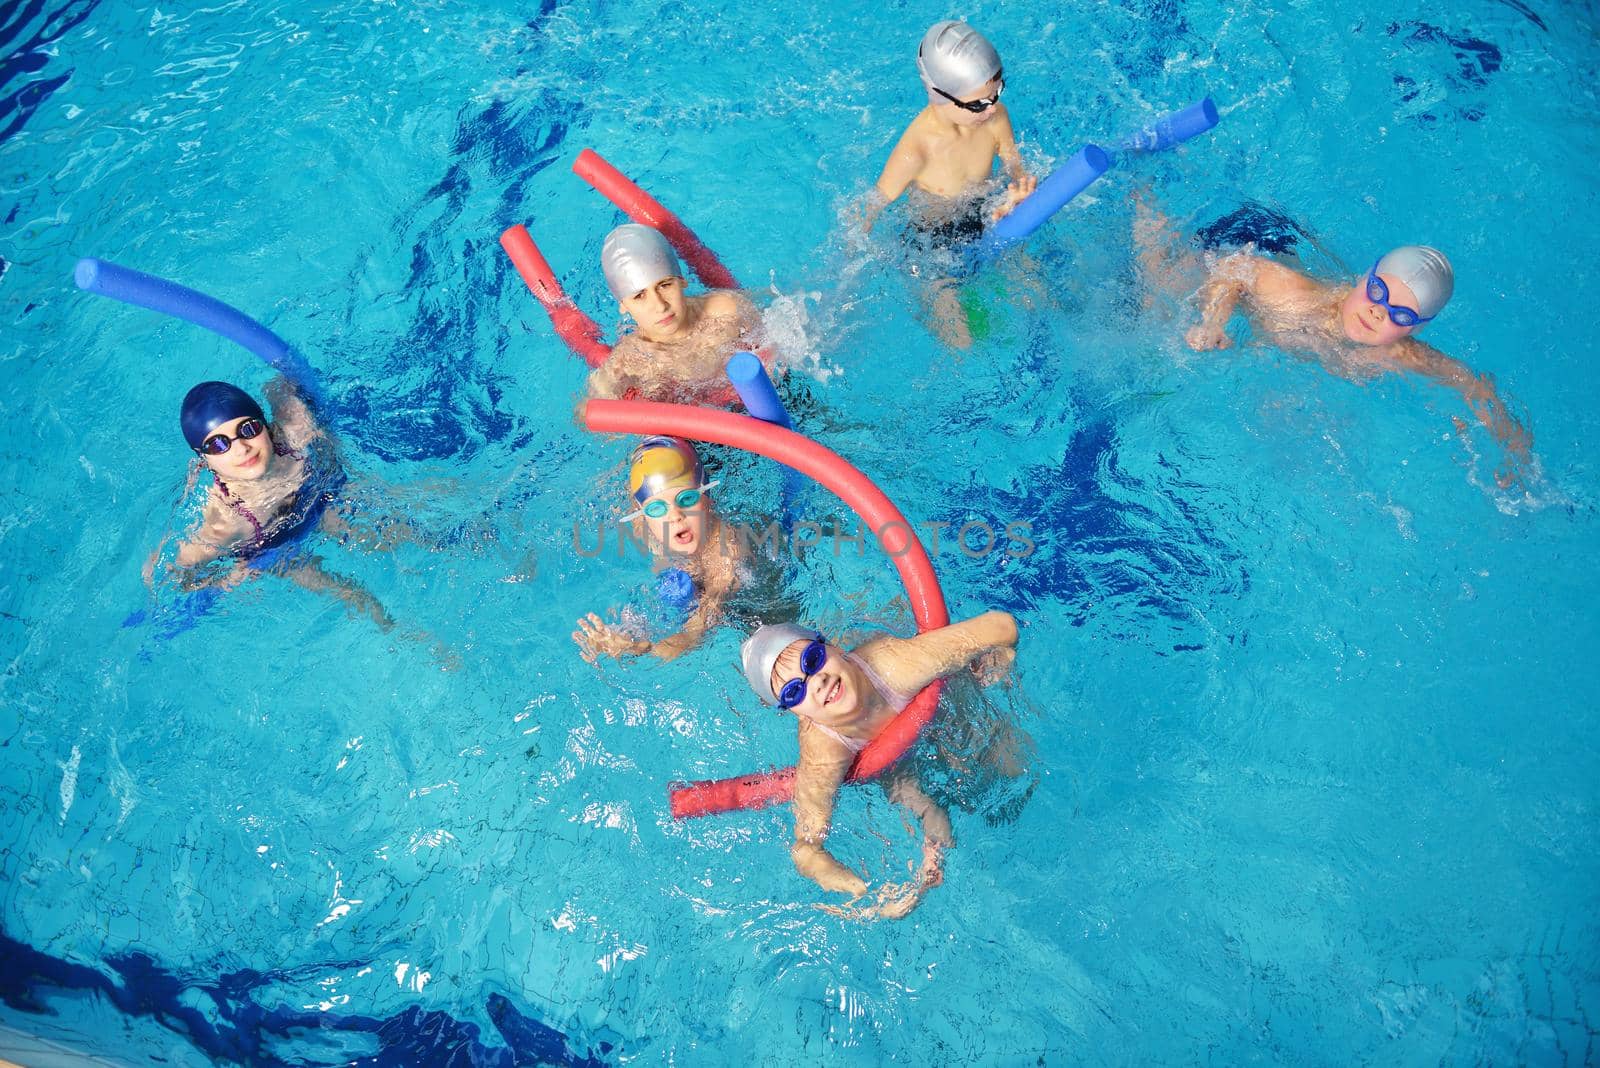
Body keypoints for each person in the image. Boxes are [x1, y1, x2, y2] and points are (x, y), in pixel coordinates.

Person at [1139, 205, 1534, 486]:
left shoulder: (1397, 354)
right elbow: (1233, 270)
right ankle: (1140, 188)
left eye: (1400, 315)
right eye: (1377, 292)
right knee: (1158, 289)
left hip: (1282, 260)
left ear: (1416, 330)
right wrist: (1213, 322)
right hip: (1248, 244)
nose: (1379, 312)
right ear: (1365, 277)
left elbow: (1472, 384)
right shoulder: (1294, 296)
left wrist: (1514, 451)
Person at [740, 612, 1019, 919]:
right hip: (894, 770)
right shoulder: (823, 749)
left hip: (943, 714)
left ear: (832, 647)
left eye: (813, 659)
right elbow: (805, 846)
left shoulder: (894, 665)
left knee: (1014, 772)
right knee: (933, 819)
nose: (816, 682)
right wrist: (839, 878)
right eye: (795, 691)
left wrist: (995, 665)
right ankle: (928, 866)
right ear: (795, 713)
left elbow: (1002, 626)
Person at [152, 378, 396, 629]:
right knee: (356, 596)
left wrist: (330, 443)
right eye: (218, 444)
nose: (242, 448)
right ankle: (403, 636)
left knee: (397, 534)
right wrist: (229, 580)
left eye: (248, 429)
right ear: (203, 459)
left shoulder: (293, 434)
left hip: (316, 500)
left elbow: (281, 381)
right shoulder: (224, 522)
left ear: (266, 427)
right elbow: (172, 579)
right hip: (272, 547)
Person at [867, 21, 1039, 347]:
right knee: (961, 343)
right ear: (940, 96)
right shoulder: (916, 150)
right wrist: (850, 262)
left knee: (1037, 298)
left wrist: (1021, 192)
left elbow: (1016, 168)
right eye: (977, 104)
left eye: (996, 94)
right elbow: (870, 205)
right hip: (930, 245)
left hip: (982, 214)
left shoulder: (996, 116)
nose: (990, 109)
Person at [572, 436, 762, 662]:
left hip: (747, 608)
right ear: (642, 513)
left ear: (708, 496)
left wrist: (641, 647)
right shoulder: (643, 526)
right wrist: (622, 637)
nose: (675, 516)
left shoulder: (727, 553)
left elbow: (697, 630)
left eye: (687, 498)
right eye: (656, 508)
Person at [585, 225, 768, 404]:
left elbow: (774, 345)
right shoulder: (627, 361)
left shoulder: (727, 309)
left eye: (665, 285)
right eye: (639, 296)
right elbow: (587, 415)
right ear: (623, 305)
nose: (660, 306)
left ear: (682, 280)